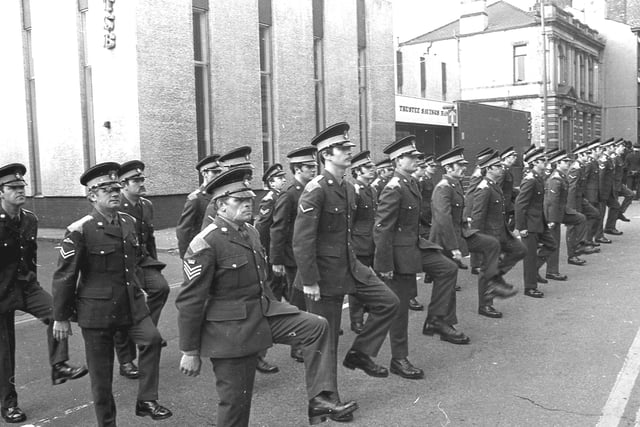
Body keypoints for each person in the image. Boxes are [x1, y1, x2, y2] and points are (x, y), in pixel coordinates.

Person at [176, 166, 358, 426]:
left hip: (261, 312)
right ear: (220, 206)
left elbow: (261, 282)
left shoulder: (249, 232)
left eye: (249, 199)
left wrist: (283, 305)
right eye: (239, 200)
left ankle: (321, 399)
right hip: (230, 330)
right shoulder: (205, 243)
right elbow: (190, 301)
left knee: (315, 326)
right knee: (236, 404)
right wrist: (189, 350)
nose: (248, 204)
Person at [52, 162, 172, 427]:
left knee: (152, 340)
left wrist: (149, 281)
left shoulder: (128, 222)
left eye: (116, 187)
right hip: (97, 314)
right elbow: (65, 276)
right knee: (102, 381)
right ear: (92, 196)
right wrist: (60, 317)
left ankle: (146, 400)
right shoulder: (79, 230)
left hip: (131, 306)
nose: (115, 193)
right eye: (106, 189)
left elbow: (138, 259)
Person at [293, 122, 399, 387]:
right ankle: (325, 398)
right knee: (324, 342)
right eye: (343, 148)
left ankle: (360, 354)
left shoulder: (348, 188)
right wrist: (309, 280)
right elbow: (302, 240)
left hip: (350, 264)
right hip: (324, 274)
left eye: (348, 147)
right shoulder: (316, 189)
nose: (349, 152)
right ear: (327, 154)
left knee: (389, 302)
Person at [0, 163, 87, 424]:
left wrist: (32, 283)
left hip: (26, 286)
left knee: (57, 311)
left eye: (21, 186)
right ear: (0, 192)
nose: (19, 191)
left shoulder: (30, 219)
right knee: (5, 354)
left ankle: (59, 364)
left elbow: (30, 255)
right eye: (13, 188)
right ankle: (9, 404)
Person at [375, 136, 459, 380]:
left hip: (413, 246)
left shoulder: (410, 182)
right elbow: (382, 228)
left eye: (416, 156)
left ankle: (434, 320)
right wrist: (384, 266)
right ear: (398, 160)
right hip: (398, 255)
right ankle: (398, 359)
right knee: (400, 309)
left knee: (447, 268)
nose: (416, 160)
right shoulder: (394, 187)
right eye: (411, 157)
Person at [113, 161, 171, 380]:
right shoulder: (116, 205)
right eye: (136, 181)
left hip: (143, 261)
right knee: (124, 308)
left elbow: (150, 237)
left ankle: (147, 331)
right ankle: (126, 361)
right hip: (122, 266)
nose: (141, 183)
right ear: (123, 184)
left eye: (142, 179)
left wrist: (154, 263)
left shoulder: (146, 205)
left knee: (161, 288)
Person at [269, 146, 317, 362]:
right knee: (298, 302)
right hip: (292, 257)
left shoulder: (312, 190)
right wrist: (276, 260)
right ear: (297, 169)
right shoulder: (289, 195)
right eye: (309, 167)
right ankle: (297, 346)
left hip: (308, 255)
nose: (314, 170)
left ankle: (307, 339)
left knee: (308, 301)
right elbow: (278, 228)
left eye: (315, 166)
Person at [469, 150, 526, 317]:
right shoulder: (484, 188)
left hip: (501, 232)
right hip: (489, 236)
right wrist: (479, 240)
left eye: (501, 165)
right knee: (487, 268)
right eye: (497, 166)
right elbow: (478, 216)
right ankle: (484, 305)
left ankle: (496, 278)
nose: (501, 168)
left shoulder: (494, 186)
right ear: (488, 169)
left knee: (520, 250)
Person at [252, 163, 287, 374]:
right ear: (270, 182)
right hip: (273, 258)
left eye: (283, 177)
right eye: (279, 178)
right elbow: (263, 230)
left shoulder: (280, 197)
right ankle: (258, 355)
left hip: (282, 256)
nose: (283, 180)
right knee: (269, 304)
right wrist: (271, 258)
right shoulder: (269, 199)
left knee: (285, 300)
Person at [514, 147, 557, 298]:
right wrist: (521, 227)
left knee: (551, 245)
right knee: (530, 257)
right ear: (535, 162)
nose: (546, 162)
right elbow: (520, 204)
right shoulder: (530, 180)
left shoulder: (538, 177)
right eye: (543, 160)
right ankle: (530, 287)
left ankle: (534, 271)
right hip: (530, 225)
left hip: (539, 222)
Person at [544, 150, 591, 279]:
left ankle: (577, 247)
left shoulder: (561, 175)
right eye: (565, 162)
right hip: (553, 214)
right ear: (558, 163)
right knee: (554, 243)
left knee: (581, 218)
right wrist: (552, 220)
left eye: (568, 162)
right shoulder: (555, 178)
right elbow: (552, 201)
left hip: (561, 210)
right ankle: (551, 271)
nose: (568, 164)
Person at [347, 150, 378, 334]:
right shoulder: (354, 190)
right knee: (357, 283)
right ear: (357, 171)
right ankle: (356, 320)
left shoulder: (372, 190)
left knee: (372, 280)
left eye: (372, 167)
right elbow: (349, 221)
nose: (372, 170)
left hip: (372, 242)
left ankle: (371, 312)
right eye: (367, 167)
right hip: (359, 245)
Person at [176, 154, 223, 258]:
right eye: (214, 172)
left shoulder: (221, 195)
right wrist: (187, 256)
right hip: (202, 251)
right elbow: (183, 230)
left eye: (219, 172)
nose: (218, 175)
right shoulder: (195, 199)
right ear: (204, 173)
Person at [201, 146, 254, 230]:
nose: (246, 180)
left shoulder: (245, 196)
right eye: (240, 172)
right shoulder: (218, 202)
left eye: (248, 176)